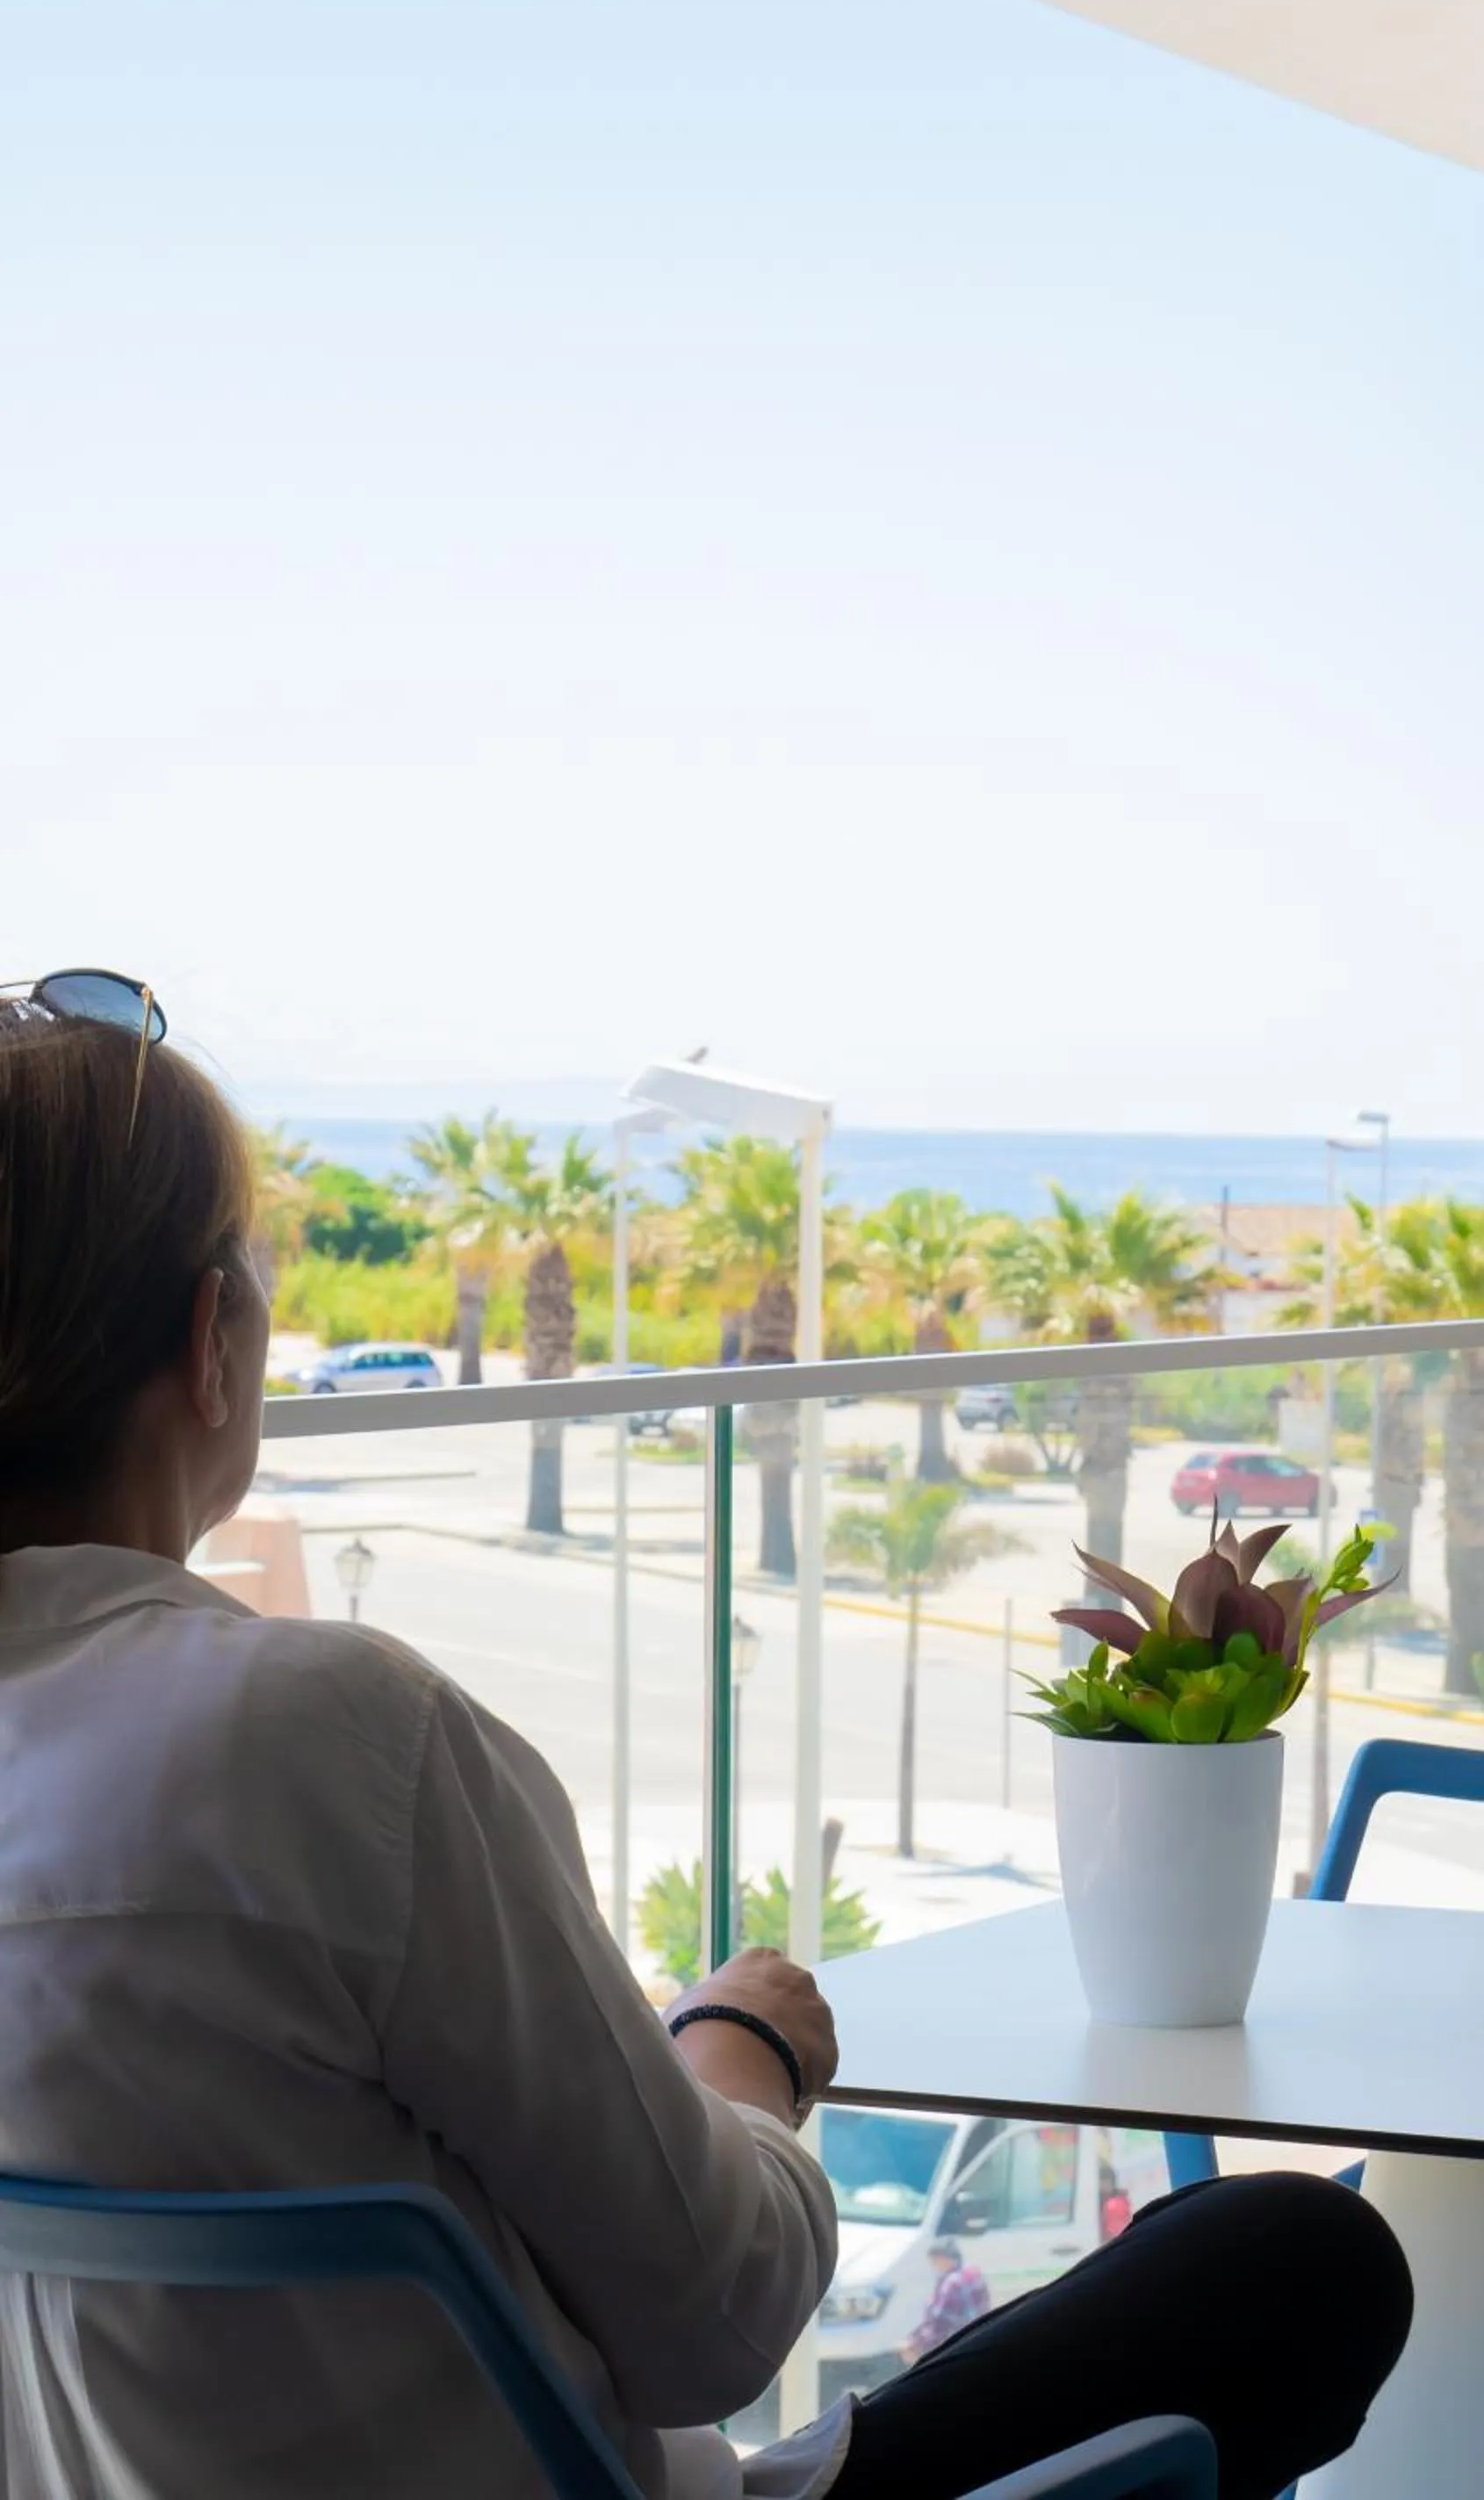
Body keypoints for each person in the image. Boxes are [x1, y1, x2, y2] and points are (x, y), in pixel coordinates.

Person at [0, 983, 1414, 2500]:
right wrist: (740, 2053)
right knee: (1296, 2258)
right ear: (216, 1340)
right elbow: (716, 2316)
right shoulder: (322, 1738)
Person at [901, 2244, 991, 2364]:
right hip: (978, 2336)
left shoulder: (951, 2283)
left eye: (934, 2261)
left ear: (944, 2259)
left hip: (953, 2346)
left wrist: (915, 2343)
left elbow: (939, 2322)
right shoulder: (973, 2272)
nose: (933, 2266)